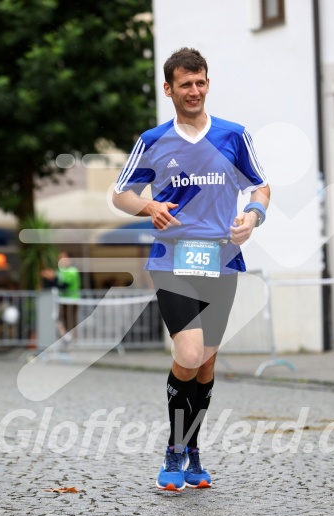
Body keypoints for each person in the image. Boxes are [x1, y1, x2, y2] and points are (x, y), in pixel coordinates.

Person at [113, 47, 270, 491]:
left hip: (222, 259)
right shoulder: (153, 140)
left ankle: (193, 451)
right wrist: (147, 206)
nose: (195, 91)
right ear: (169, 89)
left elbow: (260, 186)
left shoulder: (233, 136)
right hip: (172, 259)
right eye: (186, 84)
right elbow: (120, 194)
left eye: (201, 82)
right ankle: (174, 449)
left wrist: (253, 217)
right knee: (188, 354)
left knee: (205, 365)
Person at [41, 251, 81, 336]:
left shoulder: (72, 271)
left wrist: (53, 277)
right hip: (61, 300)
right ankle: (65, 339)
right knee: (59, 320)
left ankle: (71, 340)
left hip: (71, 300)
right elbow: (53, 285)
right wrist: (48, 277)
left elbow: (63, 286)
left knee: (70, 322)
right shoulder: (60, 271)